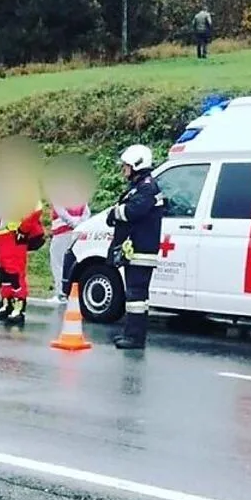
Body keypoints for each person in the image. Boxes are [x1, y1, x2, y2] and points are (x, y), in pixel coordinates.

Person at [107, 144, 165, 350]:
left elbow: (133, 211)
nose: (124, 170)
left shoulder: (147, 187)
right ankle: (131, 334)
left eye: (126, 166)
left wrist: (115, 212)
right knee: (134, 296)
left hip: (142, 251)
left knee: (136, 296)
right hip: (135, 249)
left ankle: (134, 338)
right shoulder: (139, 186)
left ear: (137, 165)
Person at [0, 203, 46, 326]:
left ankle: (19, 307)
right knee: (4, 273)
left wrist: (24, 229)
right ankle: (6, 303)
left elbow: (36, 208)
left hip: (14, 235)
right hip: (0, 235)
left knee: (15, 273)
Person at [49, 201, 91, 301]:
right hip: (78, 233)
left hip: (61, 231)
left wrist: (73, 224)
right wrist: (80, 225)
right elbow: (87, 213)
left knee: (58, 263)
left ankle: (60, 293)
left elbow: (61, 212)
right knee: (72, 263)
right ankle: (71, 292)